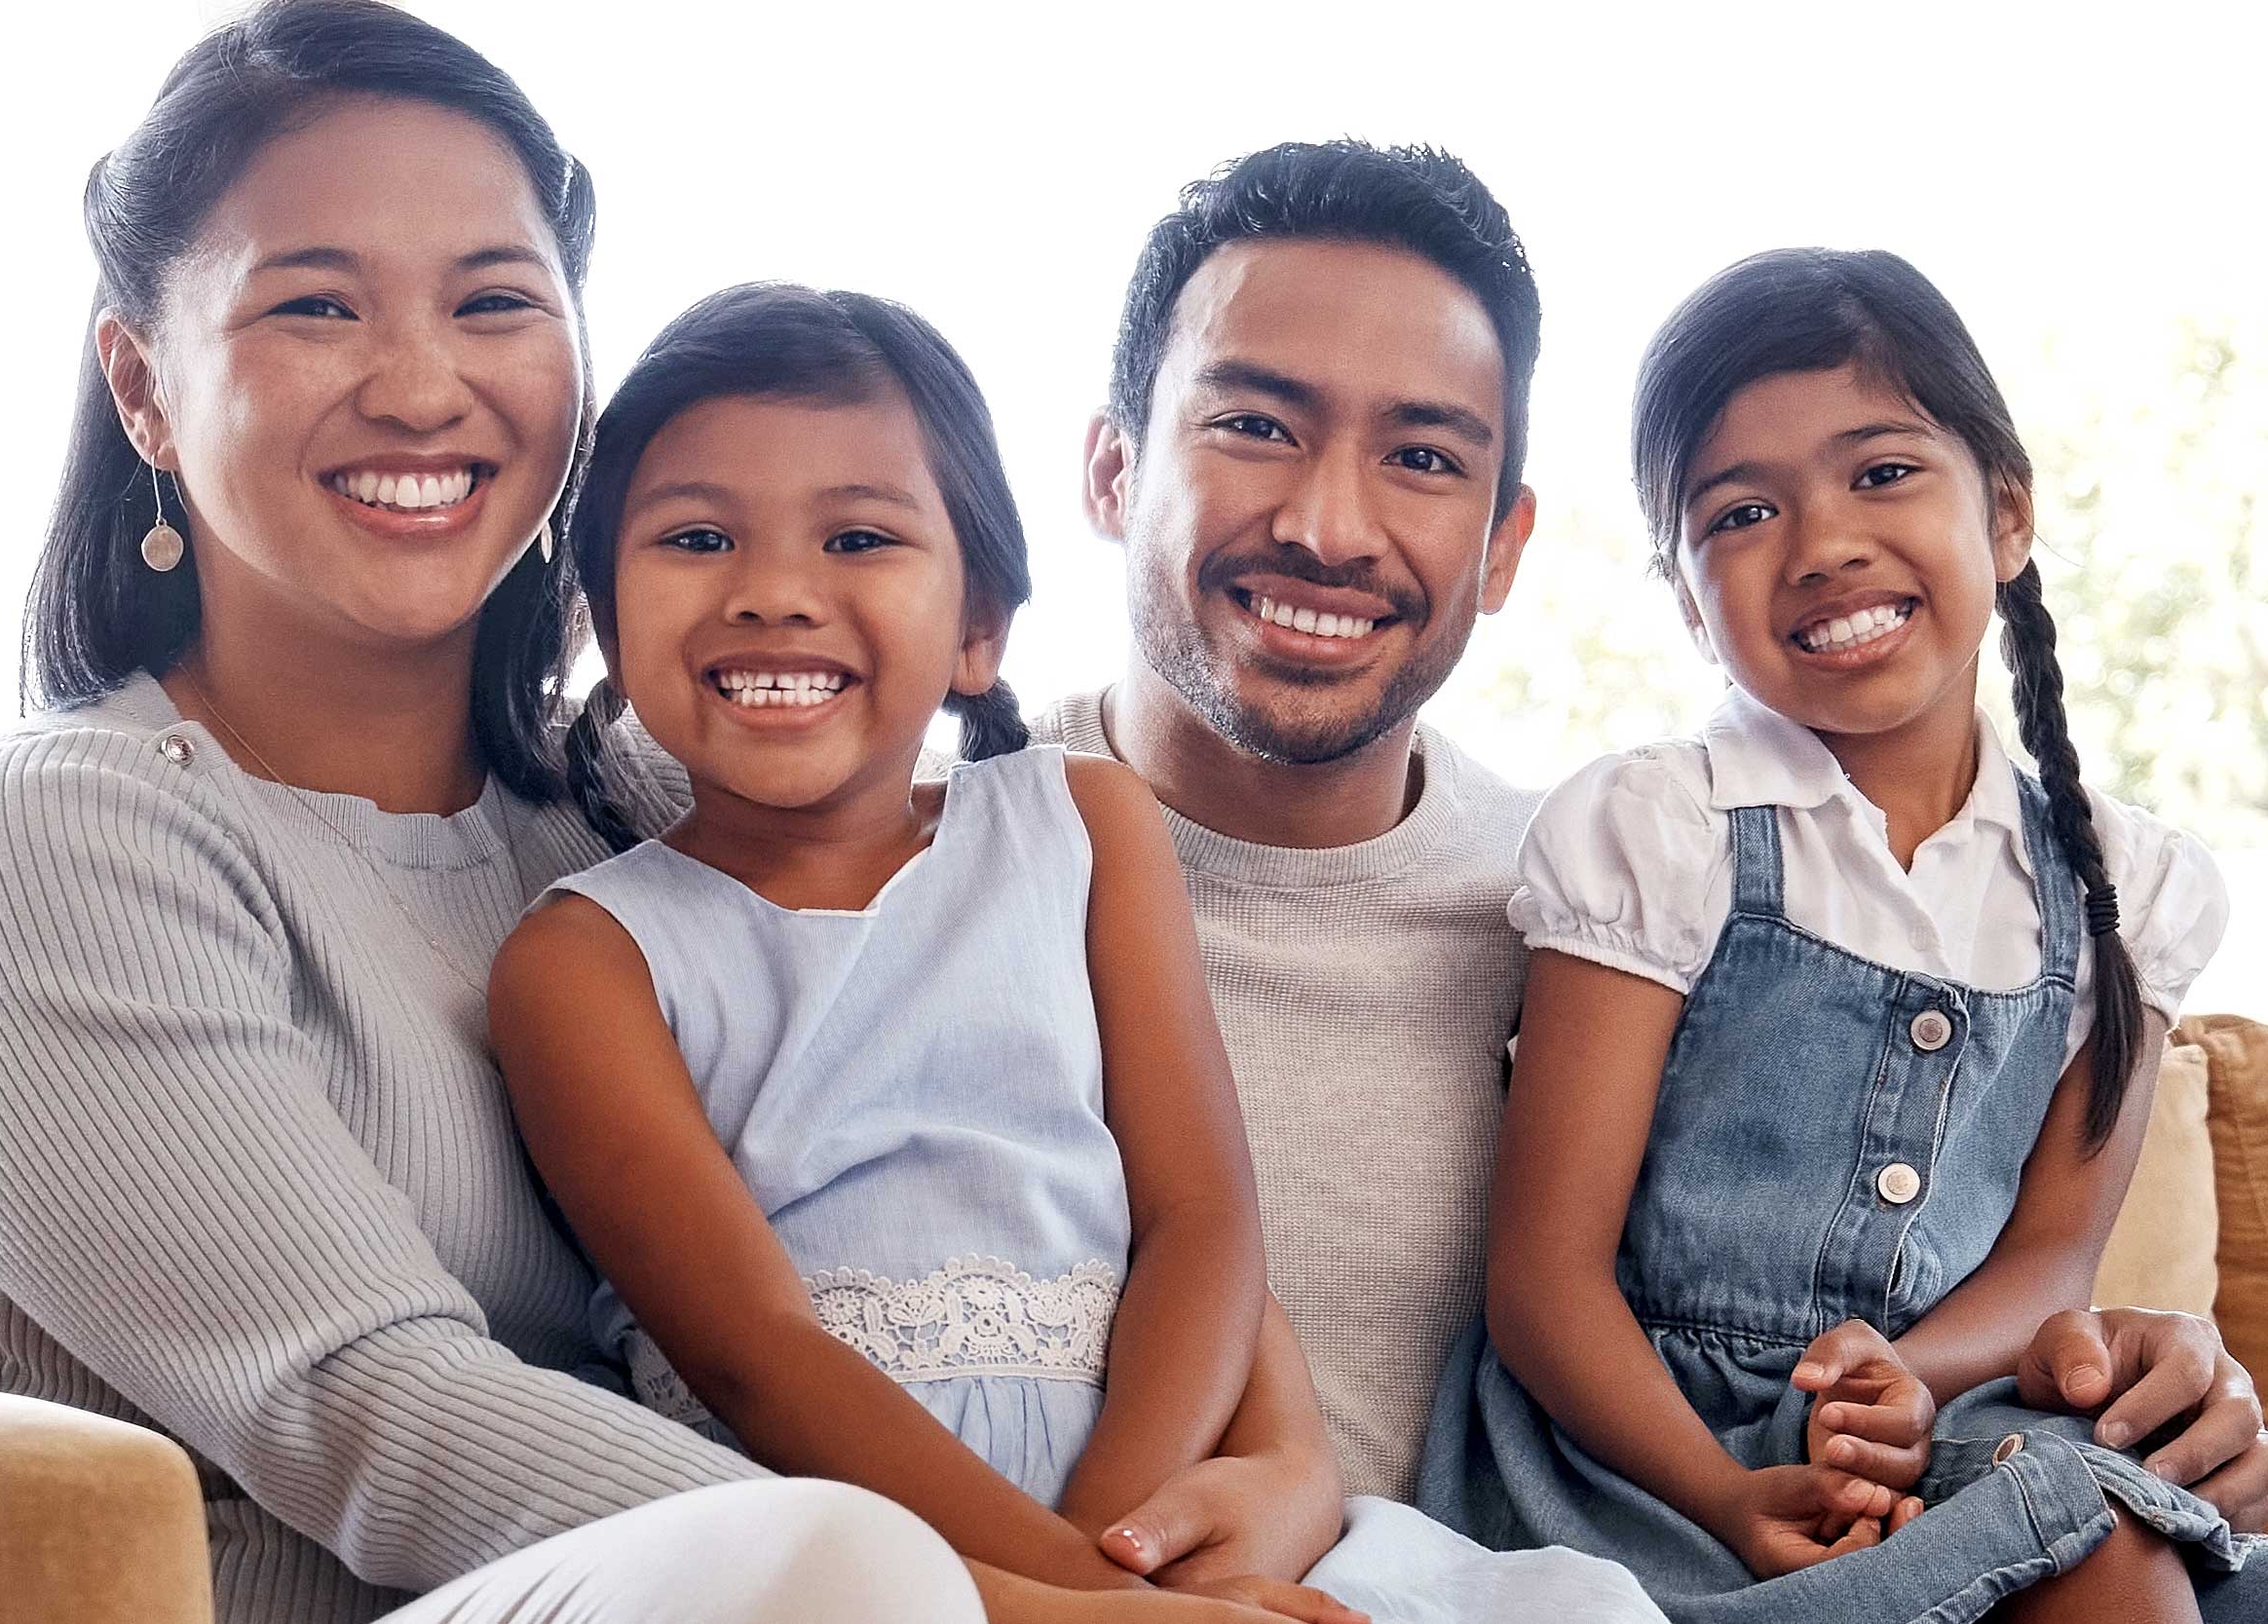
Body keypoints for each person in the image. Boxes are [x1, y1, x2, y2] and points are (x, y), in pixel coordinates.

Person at [0, 138, 2268, 1612]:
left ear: (1516, 554)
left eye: (1422, 467)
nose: (1326, 524)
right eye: (1250, 426)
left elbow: (1830, 1223)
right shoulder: (723, 858)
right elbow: (126, 1042)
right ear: (1095, 485)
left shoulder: (1604, 910)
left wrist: (2113, 1342)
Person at [486, 285, 1647, 1624]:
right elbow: (756, 1356)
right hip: (859, 1550)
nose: (775, 595)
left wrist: (1124, 1546)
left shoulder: (1083, 822)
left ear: (981, 623)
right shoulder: (585, 963)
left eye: (859, 536)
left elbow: (1202, 1219)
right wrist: (1072, 1602)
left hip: (1152, 1520)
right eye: (698, 538)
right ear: (600, 613)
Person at [1426, 249, 2268, 1624]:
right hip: (1644, 1468)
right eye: (1745, 510)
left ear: (2005, 515)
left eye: (1882, 473)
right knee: (2096, 1544)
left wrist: (1920, 1379)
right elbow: (1542, 1283)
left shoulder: (2123, 893)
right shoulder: (1658, 832)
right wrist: (1724, 1495)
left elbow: (2048, 1267)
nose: (1824, 543)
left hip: (1941, 1428)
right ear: (1684, 596)